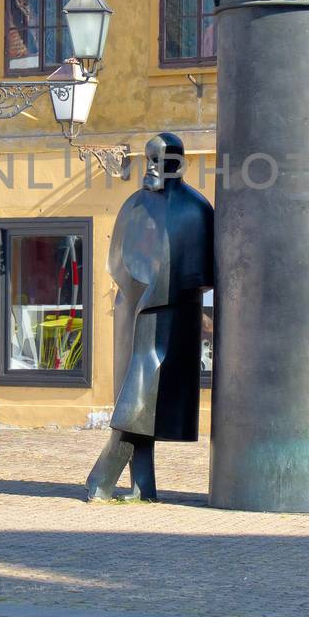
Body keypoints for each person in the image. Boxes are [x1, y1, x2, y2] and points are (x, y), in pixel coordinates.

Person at [85, 132, 213, 502]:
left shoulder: (196, 209)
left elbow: (203, 272)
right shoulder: (134, 205)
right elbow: (118, 258)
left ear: (178, 164)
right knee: (140, 399)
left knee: (139, 399)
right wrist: (136, 291)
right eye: (150, 159)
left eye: (163, 161)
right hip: (136, 311)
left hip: (173, 318)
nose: (154, 169)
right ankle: (143, 487)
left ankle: (102, 479)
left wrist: (169, 291)